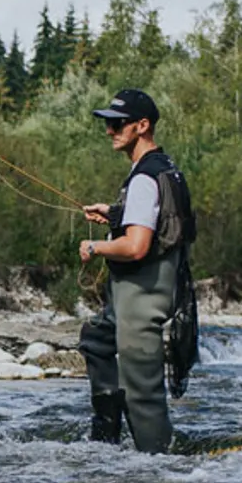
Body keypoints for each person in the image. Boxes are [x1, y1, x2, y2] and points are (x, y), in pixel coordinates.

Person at [76, 88, 196, 453]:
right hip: (144, 294)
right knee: (96, 338)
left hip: (143, 300)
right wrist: (115, 214)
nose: (110, 130)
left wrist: (94, 247)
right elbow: (160, 224)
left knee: (143, 393)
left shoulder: (145, 178)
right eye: (107, 124)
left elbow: (136, 246)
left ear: (142, 126)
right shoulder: (164, 169)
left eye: (117, 124)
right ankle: (107, 434)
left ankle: (158, 467)